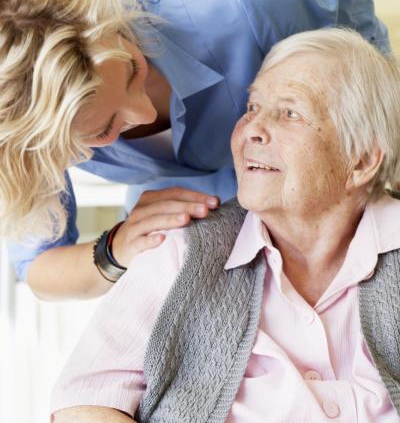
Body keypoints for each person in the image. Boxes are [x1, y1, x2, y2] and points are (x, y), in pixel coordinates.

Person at [0, 0, 389, 300]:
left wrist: (351, 183)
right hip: (184, 216)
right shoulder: (25, 143)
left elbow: (369, 63)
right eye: (105, 130)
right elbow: (37, 268)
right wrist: (115, 249)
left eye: (134, 71)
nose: (147, 115)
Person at [50, 28, 400, 422]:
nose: (252, 129)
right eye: (252, 107)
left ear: (362, 161)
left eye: (290, 113)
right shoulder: (179, 251)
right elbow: (85, 403)